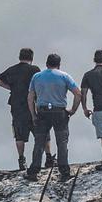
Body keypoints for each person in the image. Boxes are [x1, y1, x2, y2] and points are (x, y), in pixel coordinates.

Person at [25, 54, 82, 182]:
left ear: (46, 63)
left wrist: (33, 114)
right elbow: (78, 93)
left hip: (42, 112)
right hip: (59, 112)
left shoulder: (37, 76)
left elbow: (30, 97)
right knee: (62, 142)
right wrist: (72, 110)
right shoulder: (64, 76)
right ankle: (64, 171)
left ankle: (33, 171)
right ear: (59, 64)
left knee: (39, 142)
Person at [0, 48, 53, 171]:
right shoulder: (34, 69)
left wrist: (11, 88)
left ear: (19, 57)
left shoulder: (12, 70)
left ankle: (21, 159)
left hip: (17, 106)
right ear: (31, 58)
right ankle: (48, 158)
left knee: (19, 135)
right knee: (42, 131)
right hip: (33, 104)